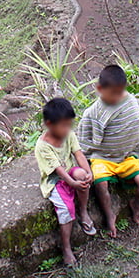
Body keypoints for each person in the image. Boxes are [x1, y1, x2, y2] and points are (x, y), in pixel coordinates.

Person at [77, 64, 139, 237]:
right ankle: (110, 216)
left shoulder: (131, 102)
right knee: (100, 183)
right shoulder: (94, 112)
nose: (117, 97)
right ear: (100, 89)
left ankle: (136, 206)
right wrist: (89, 156)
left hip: (125, 156)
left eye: (120, 92)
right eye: (112, 93)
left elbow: (133, 126)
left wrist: (129, 149)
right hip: (102, 157)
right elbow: (84, 138)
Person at [35, 97, 96, 266]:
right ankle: (66, 248)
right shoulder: (43, 146)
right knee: (66, 210)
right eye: (63, 125)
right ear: (49, 124)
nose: (67, 129)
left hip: (69, 172)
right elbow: (59, 171)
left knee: (82, 176)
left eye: (69, 124)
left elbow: (78, 154)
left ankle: (83, 211)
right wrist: (73, 183)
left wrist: (88, 172)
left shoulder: (68, 134)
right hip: (55, 180)